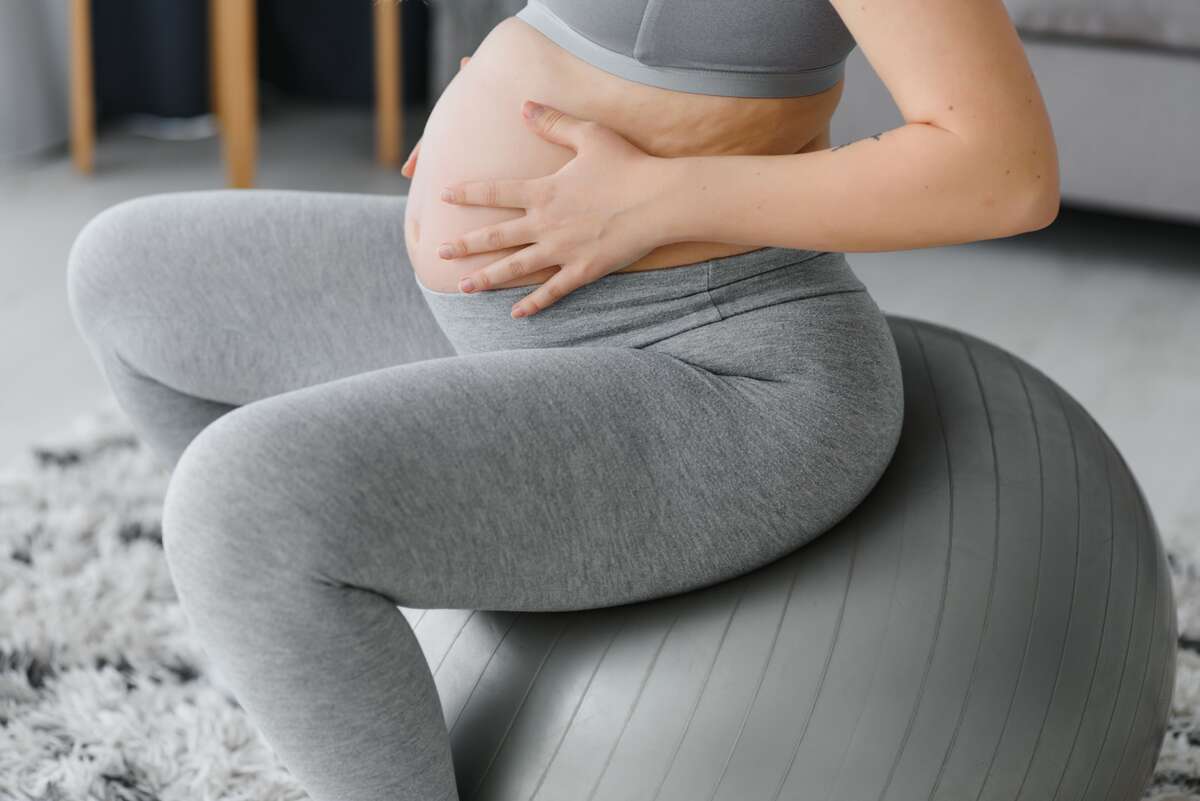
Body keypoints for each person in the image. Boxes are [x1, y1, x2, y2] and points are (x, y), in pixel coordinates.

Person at [65, 1, 1059, 800]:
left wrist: (665, 199)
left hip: (713, 367)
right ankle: (337, 698)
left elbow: (1003, 171)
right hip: (526, 296)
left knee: (242, 509)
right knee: (128, 276)